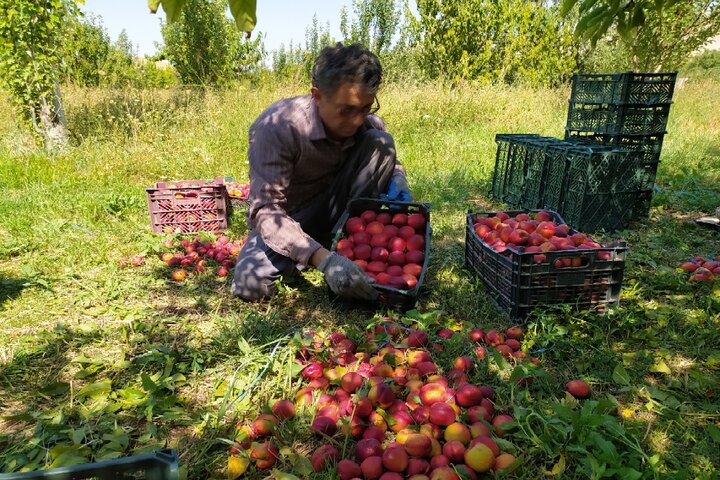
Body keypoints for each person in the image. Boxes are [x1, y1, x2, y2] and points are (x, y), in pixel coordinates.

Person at [231, 43, 411, 302]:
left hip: (339, 209)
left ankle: (347, 237)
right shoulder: (278, 128)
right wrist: (325, 261)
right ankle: (313, 252)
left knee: (381, 142)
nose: (357, 120)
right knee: (251, 286)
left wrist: (398, 178)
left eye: (365, 108)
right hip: (291, 219)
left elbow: (388, 161)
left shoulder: (365, 123)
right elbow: (266, 212)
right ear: (317, 95)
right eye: (346, 110)